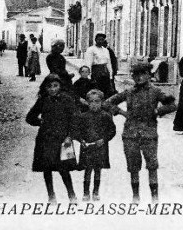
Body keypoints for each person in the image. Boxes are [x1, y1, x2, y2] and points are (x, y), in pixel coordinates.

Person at [105, 61, 176, 204]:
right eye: (135, 75)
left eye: (142, 74)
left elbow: (172, 104)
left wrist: (157, 111)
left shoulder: (155, 91)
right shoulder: (129, 92)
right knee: (133, 166)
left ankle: (155, 198)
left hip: (149, 133)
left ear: (149, 75)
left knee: (152, 165)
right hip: (130, 134)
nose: (138, 77)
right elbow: (107, 103)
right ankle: (135, 197)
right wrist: (121, 112)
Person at [25, 74, 78, 203]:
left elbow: (74, 119)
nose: (53, 89)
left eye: (55, 86)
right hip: (46, 138)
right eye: (49, 86)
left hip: (64, 139)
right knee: (47, 167)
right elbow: (30, 117)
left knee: (64, 168)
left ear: (60, 86)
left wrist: (70, 136)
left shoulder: (67, 99)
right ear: (45, 88)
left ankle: (72, 196)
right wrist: (40, 122)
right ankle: (51, 196)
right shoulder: (43, 100)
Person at [72, 89, 116, 202]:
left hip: (100, 147)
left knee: (98, 170)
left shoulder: (106, 116)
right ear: (87, 102)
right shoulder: (83, 116)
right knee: (87, 170)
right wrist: (81, 140)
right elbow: (76, 131)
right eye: (91, 101)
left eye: (97, 101)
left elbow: (112, 131)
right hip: (87, 147)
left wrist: (104, 139)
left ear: (101, 102)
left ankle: (96, 192)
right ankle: (86, 193)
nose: (94, 104)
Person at [84, 33, 113, 98]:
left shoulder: (105, 50)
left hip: (105, 73)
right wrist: (89, 77)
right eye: (99, 39)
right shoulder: (91, 49)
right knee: (96, 92)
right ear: (95, 40)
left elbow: (108, 63)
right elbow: (88, 63)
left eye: (102, 39)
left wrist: (110, 76)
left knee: (106, 92)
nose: (100, 41)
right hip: (96, 72)